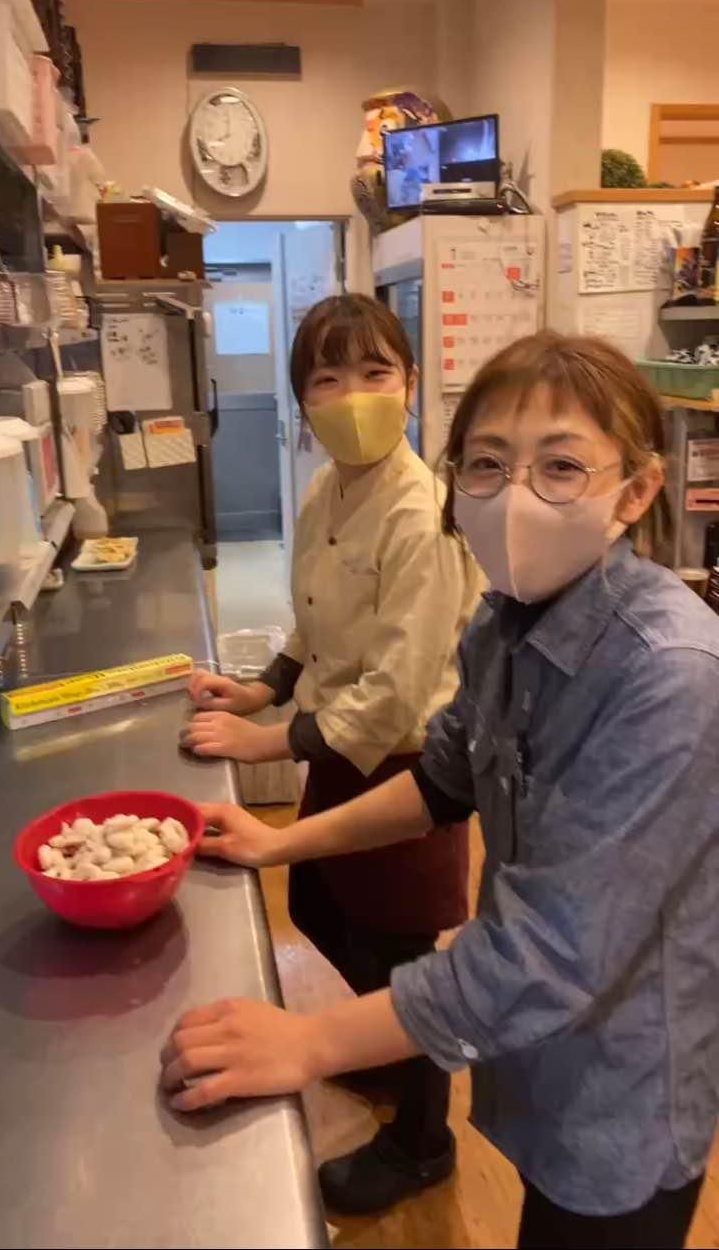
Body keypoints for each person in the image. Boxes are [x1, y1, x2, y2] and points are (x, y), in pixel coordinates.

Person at [165, 332, 719, 1250]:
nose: (515, 497)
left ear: (635, 492)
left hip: (623, 1082)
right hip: (540, 1055)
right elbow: (441, 779)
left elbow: (549, 954)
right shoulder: (504, 624)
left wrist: (309, 1042)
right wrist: (278, 841)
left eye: (562, 467)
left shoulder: (669, 676)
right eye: (489, 464)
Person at [183, 293, 479, 1214]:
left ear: (411, 384)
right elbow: (312, 625)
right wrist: (263, 688)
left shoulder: (425, 515)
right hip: (338, 754)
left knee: (405, 964)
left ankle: (424, 1142)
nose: (352, 396)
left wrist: (268, 739)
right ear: (302, 401)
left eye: (375, 373)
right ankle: (381, 1050)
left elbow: (394, 692)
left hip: (408, 772)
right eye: (326, 378)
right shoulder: (324, 491)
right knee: (319, 905)